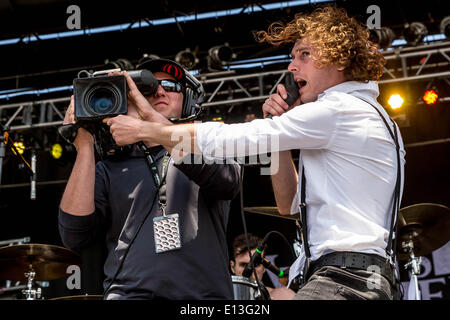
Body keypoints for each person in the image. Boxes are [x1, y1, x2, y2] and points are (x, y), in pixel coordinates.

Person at [104, 6, 406, 300]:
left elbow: (234, 139)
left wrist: (145, 131)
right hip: (358, 278)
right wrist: (281, 135)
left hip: (344, 279)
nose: (292, 67)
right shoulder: (360, 114)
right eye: (292, 57)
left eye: (304, 55)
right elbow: (288, 204)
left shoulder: (338, 110)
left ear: (338, 59)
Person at [58, 58, 241, 300]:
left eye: (171, 87)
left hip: (202, 299)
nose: (159, 91)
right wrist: (84, 145)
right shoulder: (110, 168)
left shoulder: (208, 144)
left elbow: (227, 182)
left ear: (188, 99)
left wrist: (154, 126)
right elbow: (75, 236)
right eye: (149, 88)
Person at [230, 233, 295, 300]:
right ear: (232, 267)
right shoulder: (222, 296)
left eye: (256, 264)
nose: (250, 270)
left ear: (264, 268)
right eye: (243, 265)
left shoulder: (283, 295)